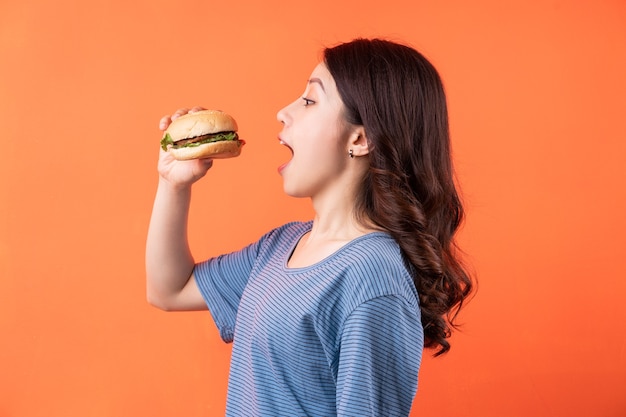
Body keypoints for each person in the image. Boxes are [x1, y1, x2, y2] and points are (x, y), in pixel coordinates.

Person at [146, 38, 474, 417]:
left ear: (361, 138)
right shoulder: (280, 245)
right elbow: (169, 289)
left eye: (309, 100)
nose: (282, 113)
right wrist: (173, 183)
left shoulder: (372, 278)